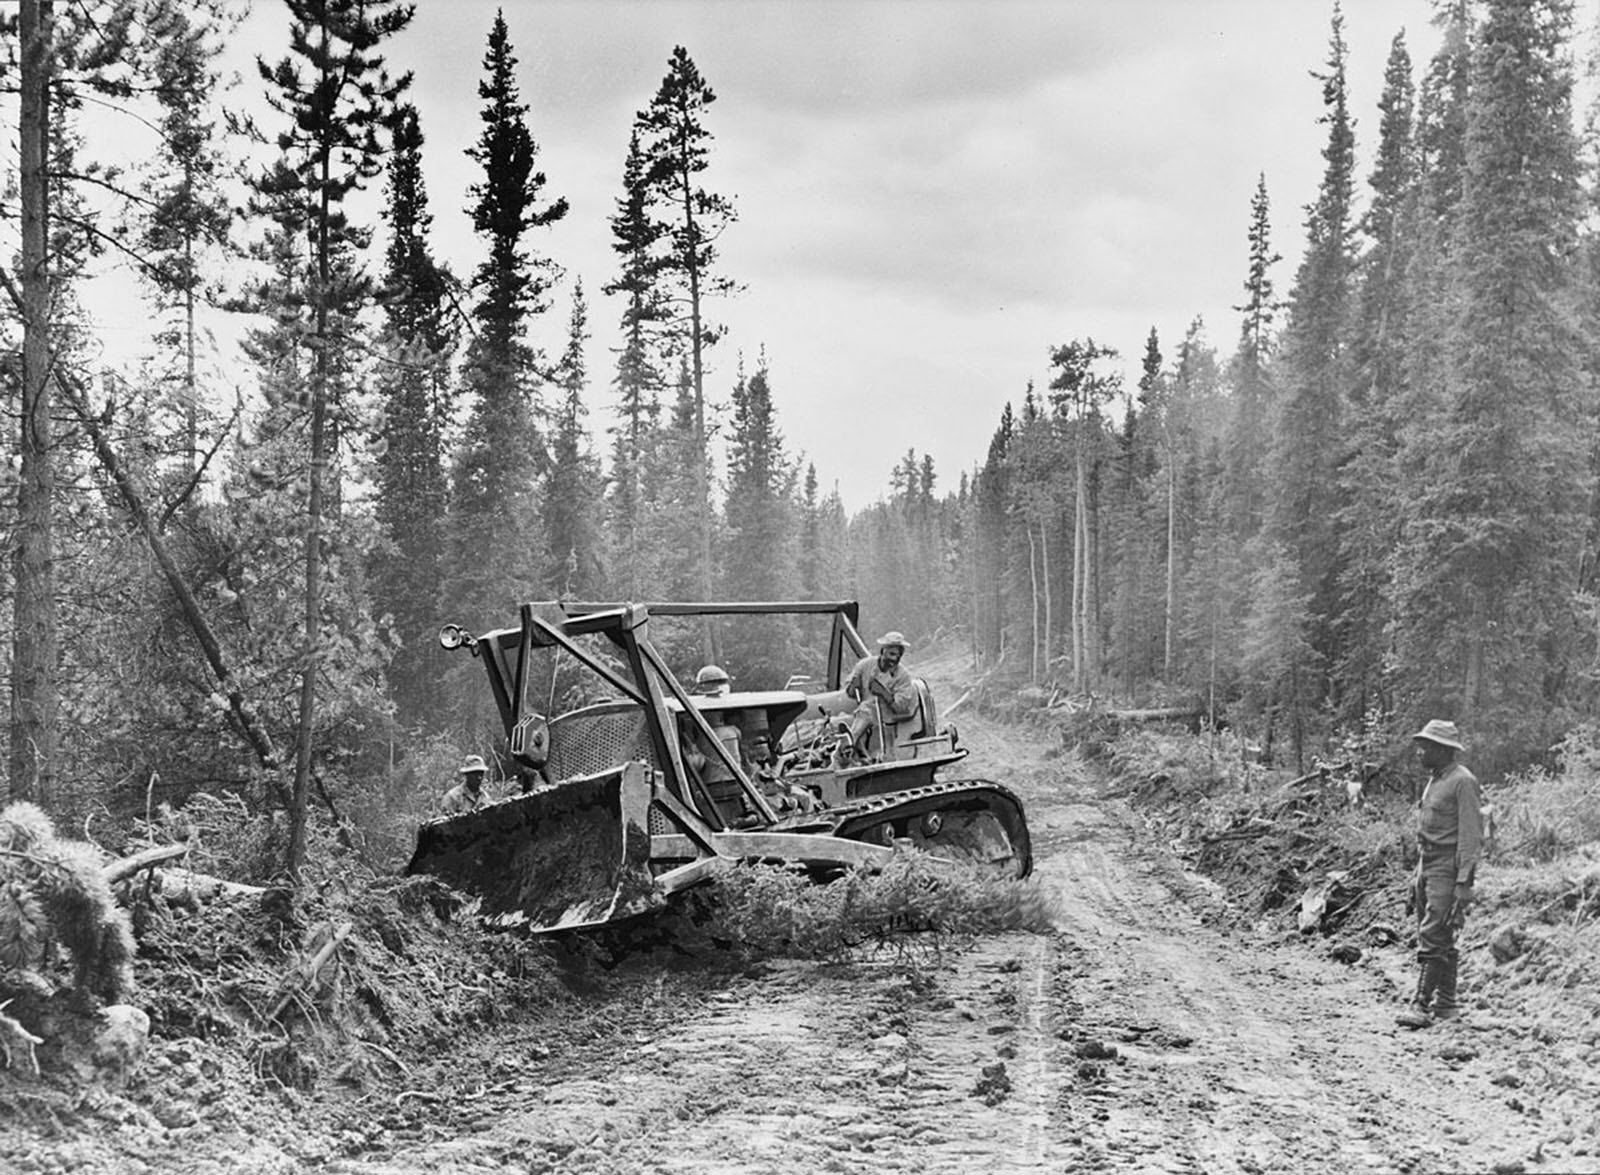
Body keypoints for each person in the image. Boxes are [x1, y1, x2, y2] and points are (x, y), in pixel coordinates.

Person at [1397, 719, 1484, 1029]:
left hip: (1448, 869)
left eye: (1427, 748)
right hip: (1428, 866)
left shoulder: (1463, 782)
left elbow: (1471, 837)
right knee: (1440, 934)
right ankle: (1446, 1004)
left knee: (1434, 934)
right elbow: (1428, 833)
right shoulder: (1435, 780)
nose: (1421, 753)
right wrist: (1416, 876)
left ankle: (1420, 1004)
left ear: (1445, 751)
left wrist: (1464, 882)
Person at [842, 631, 917, 760]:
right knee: (863, 711)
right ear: (883, 651)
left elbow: (901, 706)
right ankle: (850, 747)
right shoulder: (864, 665)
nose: (894, 659)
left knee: (868, 710)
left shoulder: (903, 676)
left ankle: (852, 743)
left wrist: (883, 693)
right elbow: (849, 691)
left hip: (889, 722)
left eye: (898, 655)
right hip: (863, 717)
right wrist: (853, 686)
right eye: (891, 654)